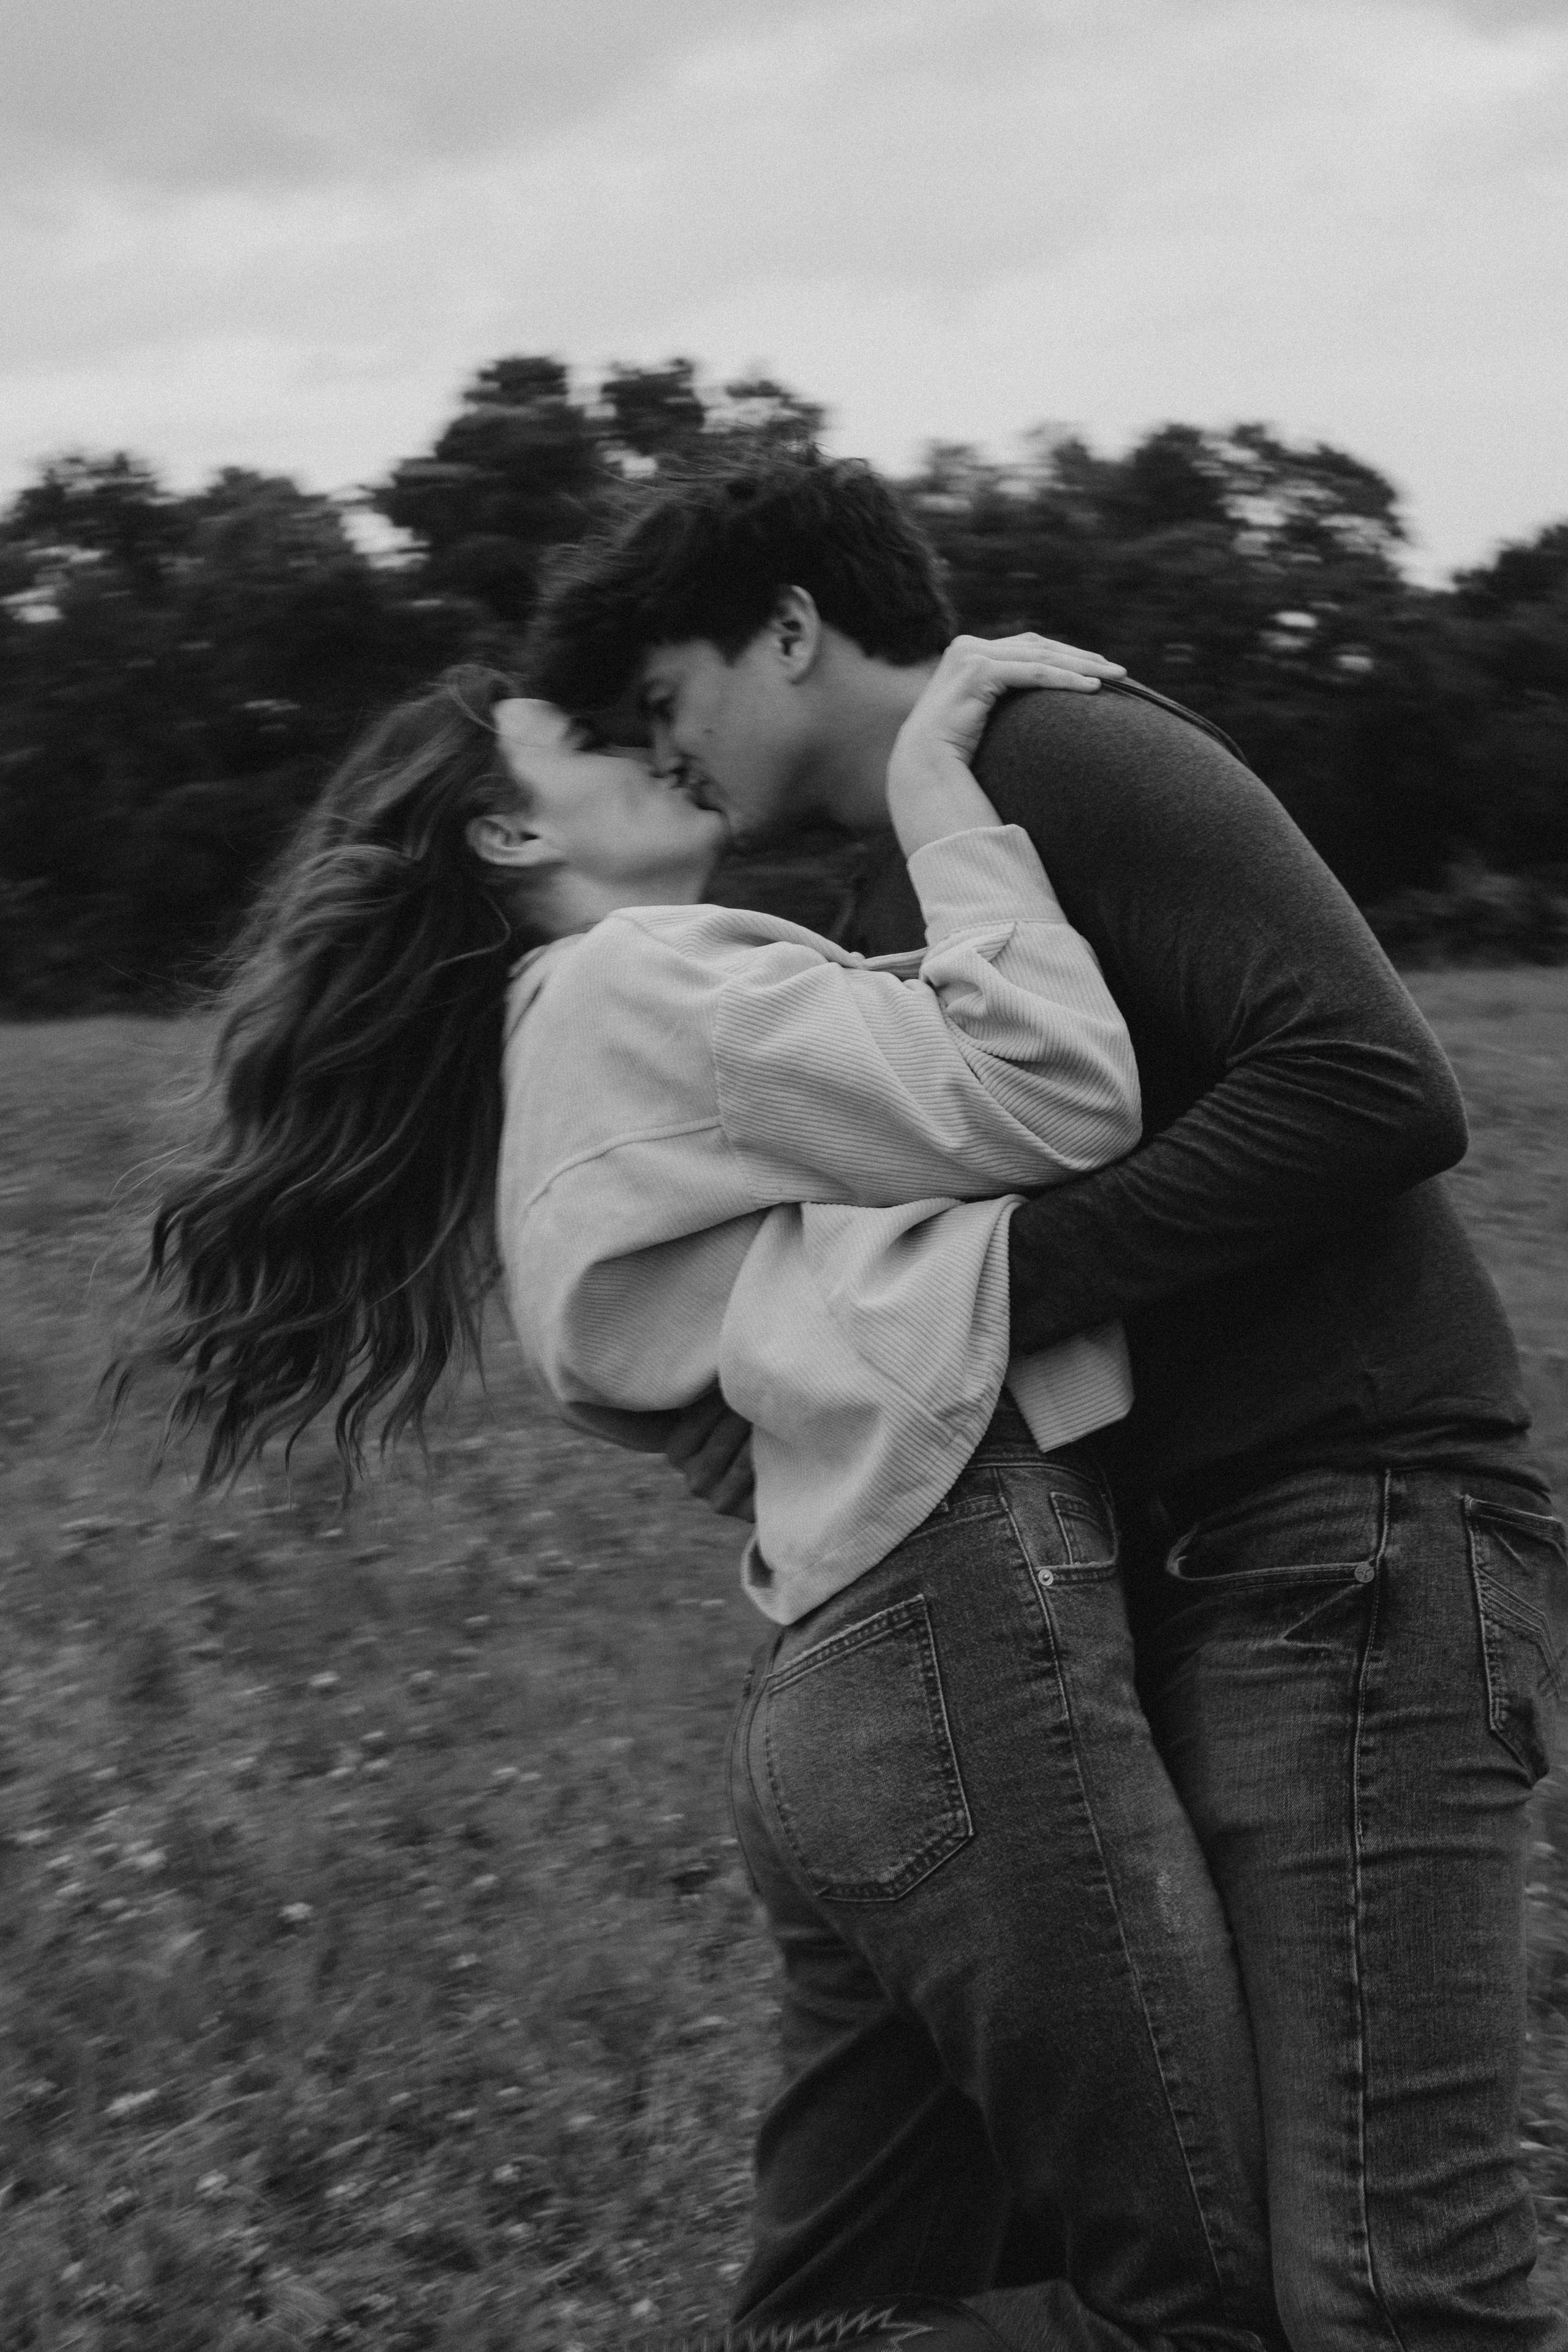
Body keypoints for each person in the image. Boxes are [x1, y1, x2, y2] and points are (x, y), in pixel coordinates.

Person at [126, 640, 1288, 2352]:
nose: (661, 743)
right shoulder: (636, 979)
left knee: (851, 2301)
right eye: (598, 734)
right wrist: (938, 789)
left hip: (846, 1685)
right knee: (1202, 2302)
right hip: (963, 1633)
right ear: (513, 834)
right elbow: (1055, 1088)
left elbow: (699, 1360)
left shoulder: (562, 1049)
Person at [527, 451, 1568, 2352]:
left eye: (671, 694)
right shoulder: (897, 877)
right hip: (1170, 1560)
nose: (664, 751)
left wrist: (992, 1292)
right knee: (1220, 2254)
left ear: (790, 628)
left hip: (1356, 1527)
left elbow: (1374, 1085)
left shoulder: (1058, 745)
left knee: (1390, 2288)